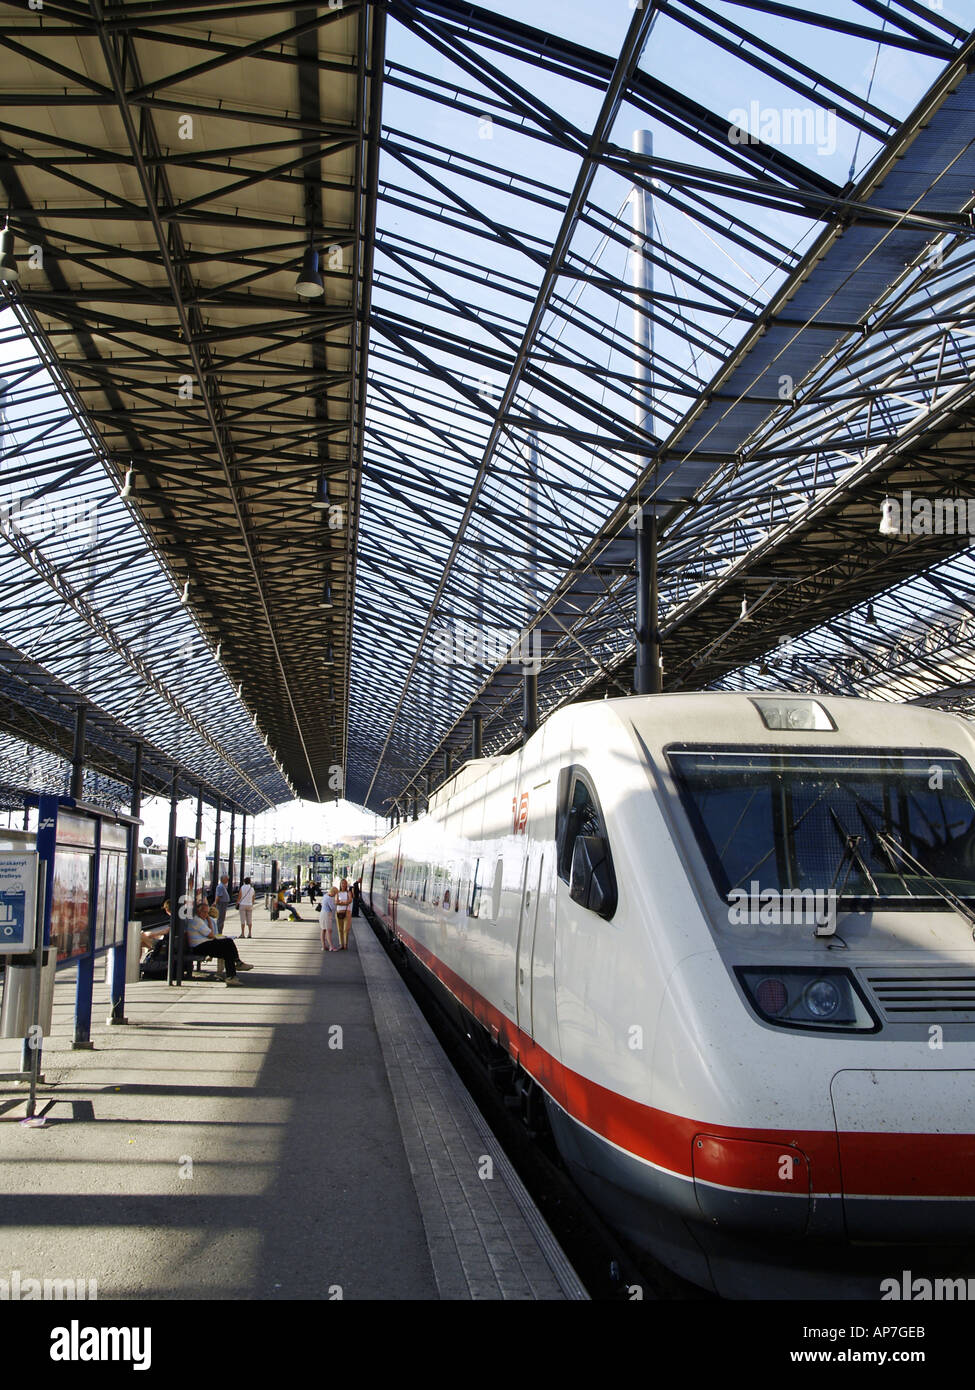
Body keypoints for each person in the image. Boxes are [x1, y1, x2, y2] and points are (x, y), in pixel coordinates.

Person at [185, 901, 253, 985]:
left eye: (207, 912)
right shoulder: (196, 921)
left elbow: (211, 934)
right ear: (199, 911)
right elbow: (211, 935)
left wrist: (208, 919)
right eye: (204, 912)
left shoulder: (199, 920)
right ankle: (237, 965)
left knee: (227, 951)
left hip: (202, 945)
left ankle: (232, 976)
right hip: (199, 947)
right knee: (228, 942)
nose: (206, 914)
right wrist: (209, 919)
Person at [335, 877, 353, 950]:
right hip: (338, 912)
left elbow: (350, 900)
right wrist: (345, 903)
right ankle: (341, 944)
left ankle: (345, 944)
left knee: (346, 929)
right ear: (340, 884)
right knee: (340, 929)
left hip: (347, 912)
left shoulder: (348, 892)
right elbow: (336, 902)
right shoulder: (337, 893)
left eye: (345, 883)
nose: (343, 885)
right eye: (342, 883)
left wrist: (341, 903)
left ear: (346, 885)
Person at [319, 885, 337, 952]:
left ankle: (323, 946)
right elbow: (332, 907)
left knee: (323, 930)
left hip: (322, 913)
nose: (335, 895)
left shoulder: (325, 895)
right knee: (328, 930)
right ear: (333, 892)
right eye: (335, 894)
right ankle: (331, 947)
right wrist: (336, 903)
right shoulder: (329, 898)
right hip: (327, 914)